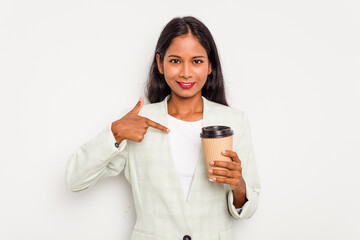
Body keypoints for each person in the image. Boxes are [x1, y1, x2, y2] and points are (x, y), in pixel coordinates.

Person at [66, 16, 261, 240]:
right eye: (175, 61)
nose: (186, 72)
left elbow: (248, 207)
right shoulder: (137, 121)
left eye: (196, 61)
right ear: (160, 63)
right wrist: (115, 132)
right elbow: (75, 180)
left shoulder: (235, 121)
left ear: (210, 66)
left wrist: (239, 186)